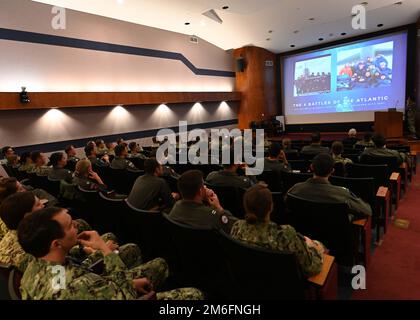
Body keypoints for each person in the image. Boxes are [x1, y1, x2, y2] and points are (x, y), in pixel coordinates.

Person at [18, 207, 203, 300]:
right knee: (194, 294)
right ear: (56, 243)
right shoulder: (78, 285)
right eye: (70, 226)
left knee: (159, 264)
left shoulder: (33, 265)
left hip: (104, 289)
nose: (76, 226)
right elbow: (126, 296)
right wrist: (104, 249)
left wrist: (128, 282)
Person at [230, 184, 325, 277]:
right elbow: (312, 269)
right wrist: (314, 247)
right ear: (271, 207)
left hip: (248, 282)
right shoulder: (284, 235)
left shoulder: (237, 227)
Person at [286, 153, 372, 221]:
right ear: (332, 171)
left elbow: (286, 204)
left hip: (303, 238)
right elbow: (367, 211)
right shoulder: (342, 194)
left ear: (311, 167)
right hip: (334, 240)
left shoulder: (295, 189)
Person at [169, 170, 237, 232]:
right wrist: (218, 208)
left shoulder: (176, 206)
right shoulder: (213, 214)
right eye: (203, 185)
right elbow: (234, 226)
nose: (205, 187)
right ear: (200, 191)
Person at [0, 192, 45, 271]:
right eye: (38, 204)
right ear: (27, 216)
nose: (43, 205)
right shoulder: (32, 245)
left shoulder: (11, 236)